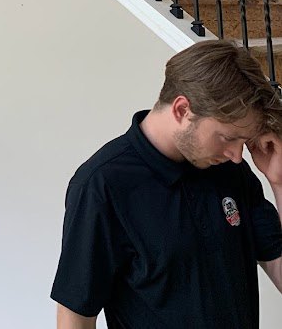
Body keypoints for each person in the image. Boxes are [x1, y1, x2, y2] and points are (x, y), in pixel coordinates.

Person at [51, 41, 282, 328]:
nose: (237, 155)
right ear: (182, 109)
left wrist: (278, 181)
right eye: (227, 137)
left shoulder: (230, 171)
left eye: (242, 141)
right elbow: (76, 313)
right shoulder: (103, 184)